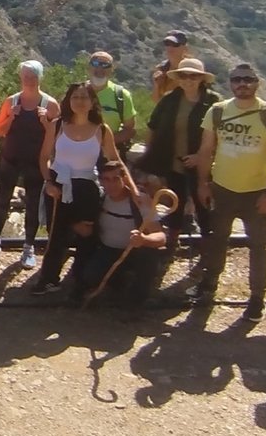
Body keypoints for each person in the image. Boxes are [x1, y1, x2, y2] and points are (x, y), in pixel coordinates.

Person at [192, 63, 266, 321]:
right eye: (237, 79)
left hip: (256, 192)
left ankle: (257, 298)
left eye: (248, 79)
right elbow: (205, 151)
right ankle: (209, 286)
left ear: (257, 82)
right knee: (217, 239)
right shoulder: (217, 111)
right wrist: (203, 183)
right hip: (222, 188)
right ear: (230, 83)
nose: (242, 84)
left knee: (258, 246)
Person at [32, 82, 122, 296]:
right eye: (75, 97)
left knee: (86, 235)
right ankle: (49, 279)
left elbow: (115, 160)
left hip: (86, 187)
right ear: (68, 101)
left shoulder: (101, 130)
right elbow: (44, 158)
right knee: (56, 235)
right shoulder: (57, 125)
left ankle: (82, 281)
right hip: (58, 184)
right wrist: (49, 183)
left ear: (92, 102)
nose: (79, 102)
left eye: (84, 97)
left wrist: (129, 187)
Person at [135, 56, 220, 250]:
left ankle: (209, 248)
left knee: (203, 204)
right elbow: (153, 126)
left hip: (202, 165)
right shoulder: (170, 100)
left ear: (201, 79)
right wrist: (150, 156)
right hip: (173, 162)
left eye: (193, 76)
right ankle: (172, 244)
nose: (188, 80)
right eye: (184, 75)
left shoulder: (213, 102)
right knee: (175, 203)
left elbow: (221, 135)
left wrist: (200, 157)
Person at [0, 61, 60, 268]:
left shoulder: (50, 104)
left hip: (36, 161)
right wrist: (11, 117)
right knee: (2, 199)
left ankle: (28, 247)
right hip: (11, 158)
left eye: (33, 76)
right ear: (21, 77)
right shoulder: (12, 101)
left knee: (33, 204)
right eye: (26, 76)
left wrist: (46, 122)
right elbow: (0, 130)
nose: (29, 80)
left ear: (40, 77)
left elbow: (57, 136)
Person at [71, 159, 166, 308]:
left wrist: (144, 239)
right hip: (107, 251)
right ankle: (117, 282)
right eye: (106, 179)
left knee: (148, 255)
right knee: (90, 276)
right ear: (101, 181)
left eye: (116, 179)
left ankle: (138, 298)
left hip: (134, 252)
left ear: (124, 179)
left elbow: (161, 237)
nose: (111, 184)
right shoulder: (100, 199)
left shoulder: (139, 201)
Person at [89, 50, 138, 156]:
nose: (100, 68)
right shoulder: (76, 92)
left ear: (111, 69)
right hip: (76, 153)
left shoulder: (121, 95)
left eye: (105, 65)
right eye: (95, 63)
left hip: (107, 156)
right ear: (88, 67)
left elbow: (130, 129)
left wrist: (105, 143)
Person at [151, 30, 193, 97]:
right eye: (167, 43)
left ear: (184, 47)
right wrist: (157, 85)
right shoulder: (162, 68)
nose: (170, 47)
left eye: (175, 44)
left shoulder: (192, 68)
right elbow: (157, 100)